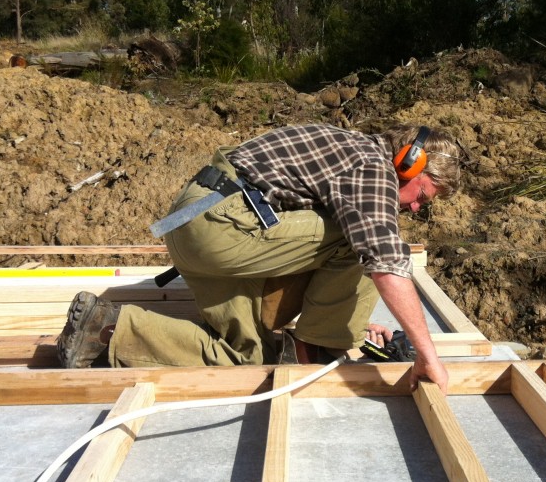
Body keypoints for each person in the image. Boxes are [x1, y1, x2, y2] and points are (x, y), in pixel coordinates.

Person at [55, 123, 462, 394]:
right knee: (370, 239)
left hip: (202, 228)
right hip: (223, 227)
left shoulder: (347, 150)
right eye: (422, 196)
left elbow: (294, 238)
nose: (415, 208)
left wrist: (351, 313)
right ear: (410, 162)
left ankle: (107, 329)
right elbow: (384, 260)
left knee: (247, 357)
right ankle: (317, 350)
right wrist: (429, 356)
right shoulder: (371, 166)